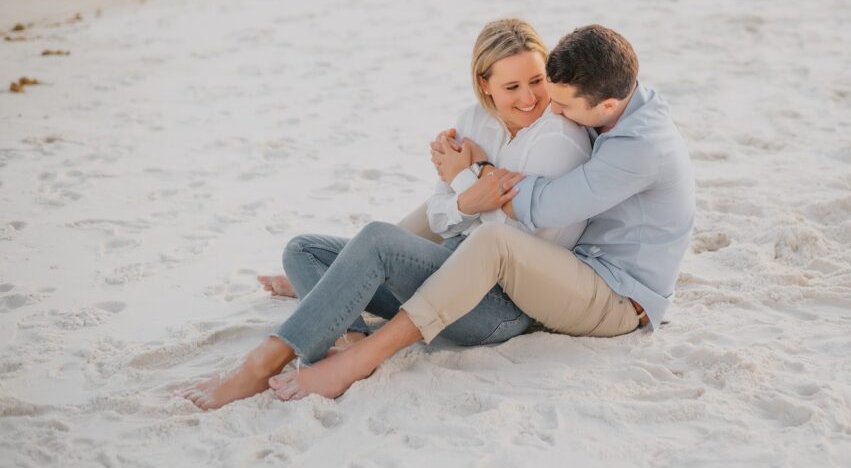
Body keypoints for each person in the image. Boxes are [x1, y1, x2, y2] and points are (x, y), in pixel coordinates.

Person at [262, 24, 696, 402]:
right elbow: (463, 207)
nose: (552, 110)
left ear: (605, 106)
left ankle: (361, 356)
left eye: (562, 105)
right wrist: (463, 177)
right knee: (319, 247)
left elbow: (543, 207)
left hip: (618, 297)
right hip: (568, 265)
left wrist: (473, 171)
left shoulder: (637, 148)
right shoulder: (620, 95)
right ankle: (350, 279)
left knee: (491, 239)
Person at [178, 18, 591, 409]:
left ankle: (263, 362)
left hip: (497, 305)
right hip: (445, 266)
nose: (529, 97)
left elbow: (524, 244)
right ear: (485, 85)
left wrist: (467, 179)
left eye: (537, 80)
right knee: (303, 250)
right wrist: (469, 196)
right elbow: (441, 212)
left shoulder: (558, 141)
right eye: (512, 85)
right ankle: (352, 337)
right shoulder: (472, 122)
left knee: (377, 240)